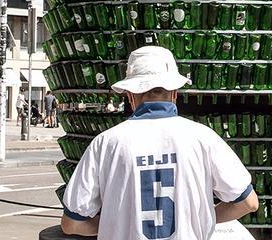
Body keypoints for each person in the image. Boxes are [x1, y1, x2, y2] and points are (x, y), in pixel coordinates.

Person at [60, 46, 258, 238]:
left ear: (130, 95)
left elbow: (71, 224)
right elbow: (248, 203)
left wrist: (112, 224)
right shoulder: (204, 138)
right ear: (174, 93)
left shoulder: (105, 144)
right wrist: (202, 218)